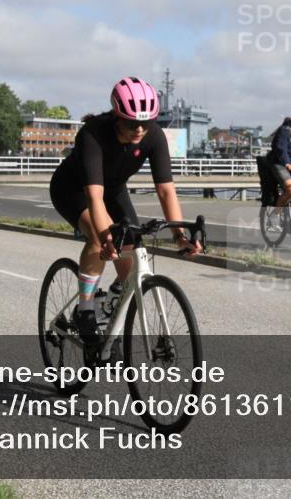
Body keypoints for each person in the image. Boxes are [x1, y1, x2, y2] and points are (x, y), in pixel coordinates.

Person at [50, 76, 202, 347]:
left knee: (132, 250)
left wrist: (179, 234)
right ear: (117, 116)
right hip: (73, 190)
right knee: (100, 239)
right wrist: (106, 236)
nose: (139, 129)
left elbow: (166, 190)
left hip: (114, 189)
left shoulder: (154, 135)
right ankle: (85, 309)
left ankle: (114, 312)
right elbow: (94, 197)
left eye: (146, 122)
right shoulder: (93, 134)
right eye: (132, 122)